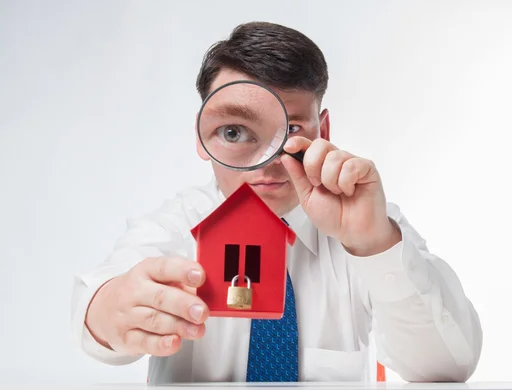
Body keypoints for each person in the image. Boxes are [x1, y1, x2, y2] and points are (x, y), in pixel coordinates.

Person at [71, 21, 483, 384]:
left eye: (289, 131)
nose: (266, 164)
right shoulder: (178, 226)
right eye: (234, 133)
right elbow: (100, 307)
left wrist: (375, 245)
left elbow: (447, 367)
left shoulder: (367, 224)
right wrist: (111, 310)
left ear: (322, 131)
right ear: (202, 137)